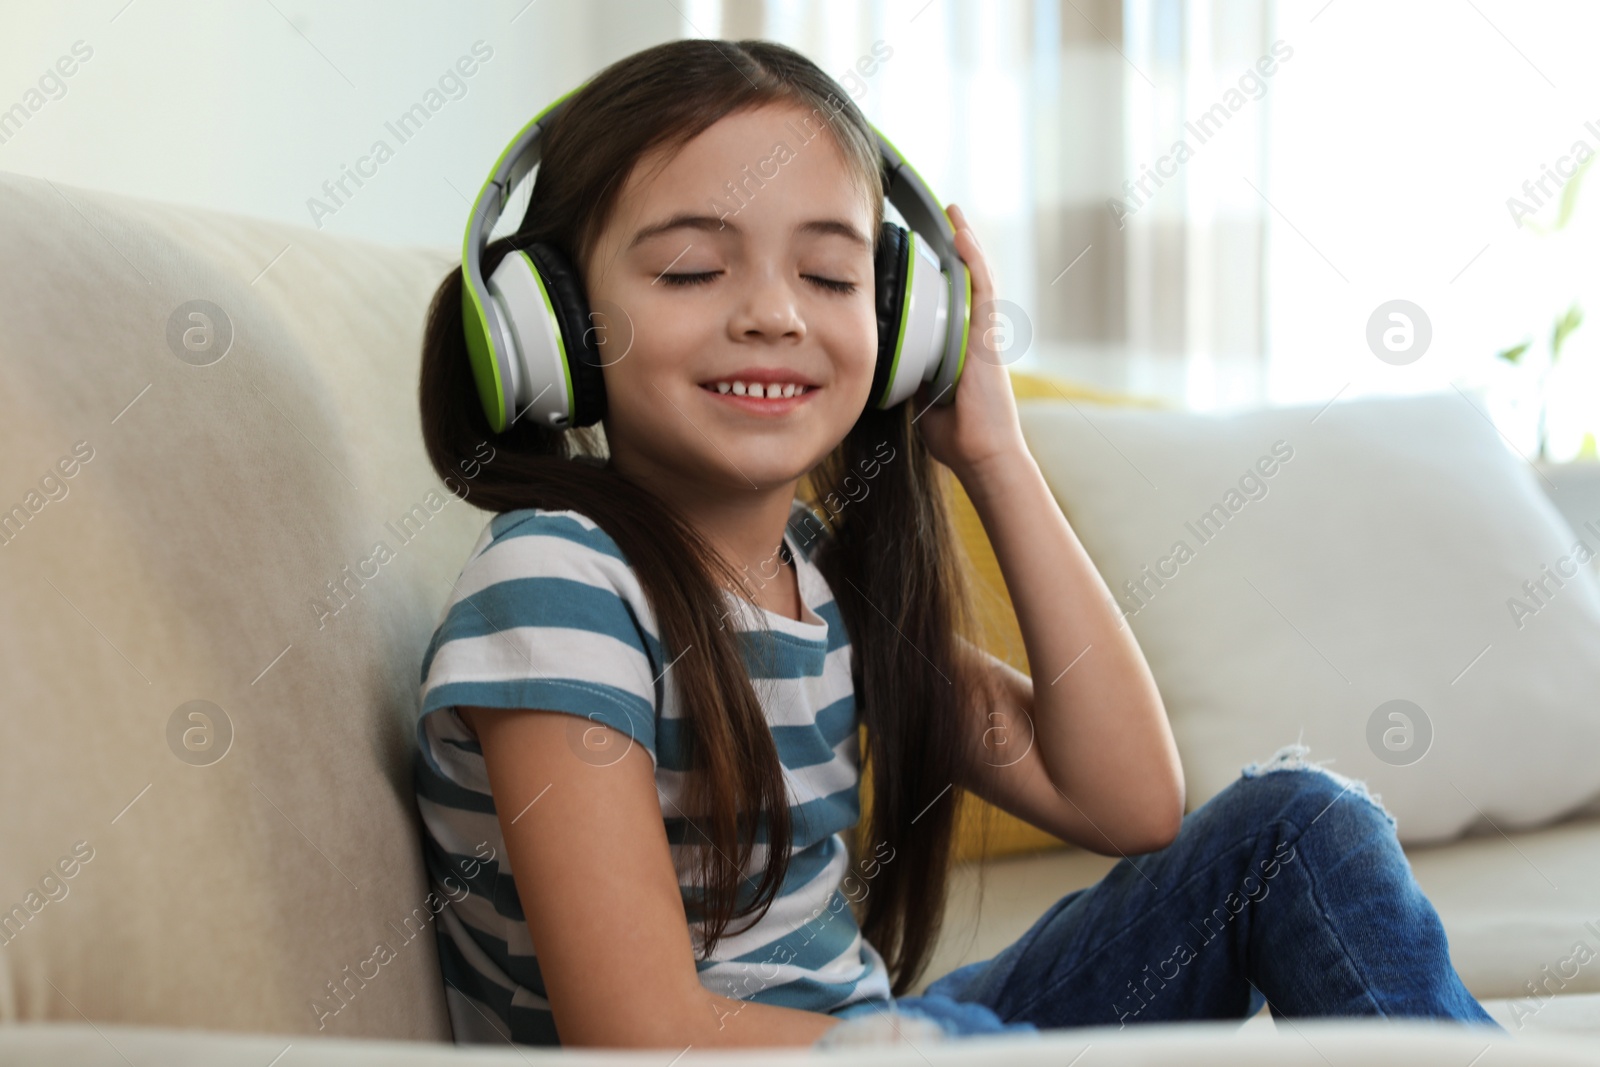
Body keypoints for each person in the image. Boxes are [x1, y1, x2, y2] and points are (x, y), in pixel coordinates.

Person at [411, 36, 1502, 1051]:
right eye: (694, 269)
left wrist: (994, 453)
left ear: (905, 328)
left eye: (831, 277)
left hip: (892, 1042)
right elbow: (640, 1031)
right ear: (547, 320)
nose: (774, 314)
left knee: (1297, 824)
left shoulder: (816, 584)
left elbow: (1125, 800)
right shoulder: (556, 578)